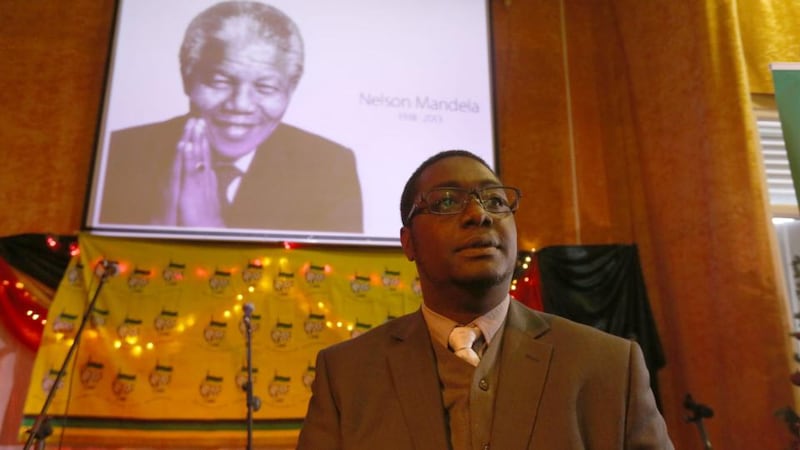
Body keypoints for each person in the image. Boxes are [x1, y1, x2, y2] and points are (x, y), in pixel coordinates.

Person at [297, 150, 673, 449]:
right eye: (447, 202)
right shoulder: (347, 375)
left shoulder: (608, 365)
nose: (479, 214)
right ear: (408, 243)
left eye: (495, 200)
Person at [98, 1, 362, 233]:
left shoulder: (330, 168)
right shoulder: (120, 153)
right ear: (188, 79)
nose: (240, 105)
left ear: (290, 90)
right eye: (219, 81)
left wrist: (209, 227)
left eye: (265, 87)